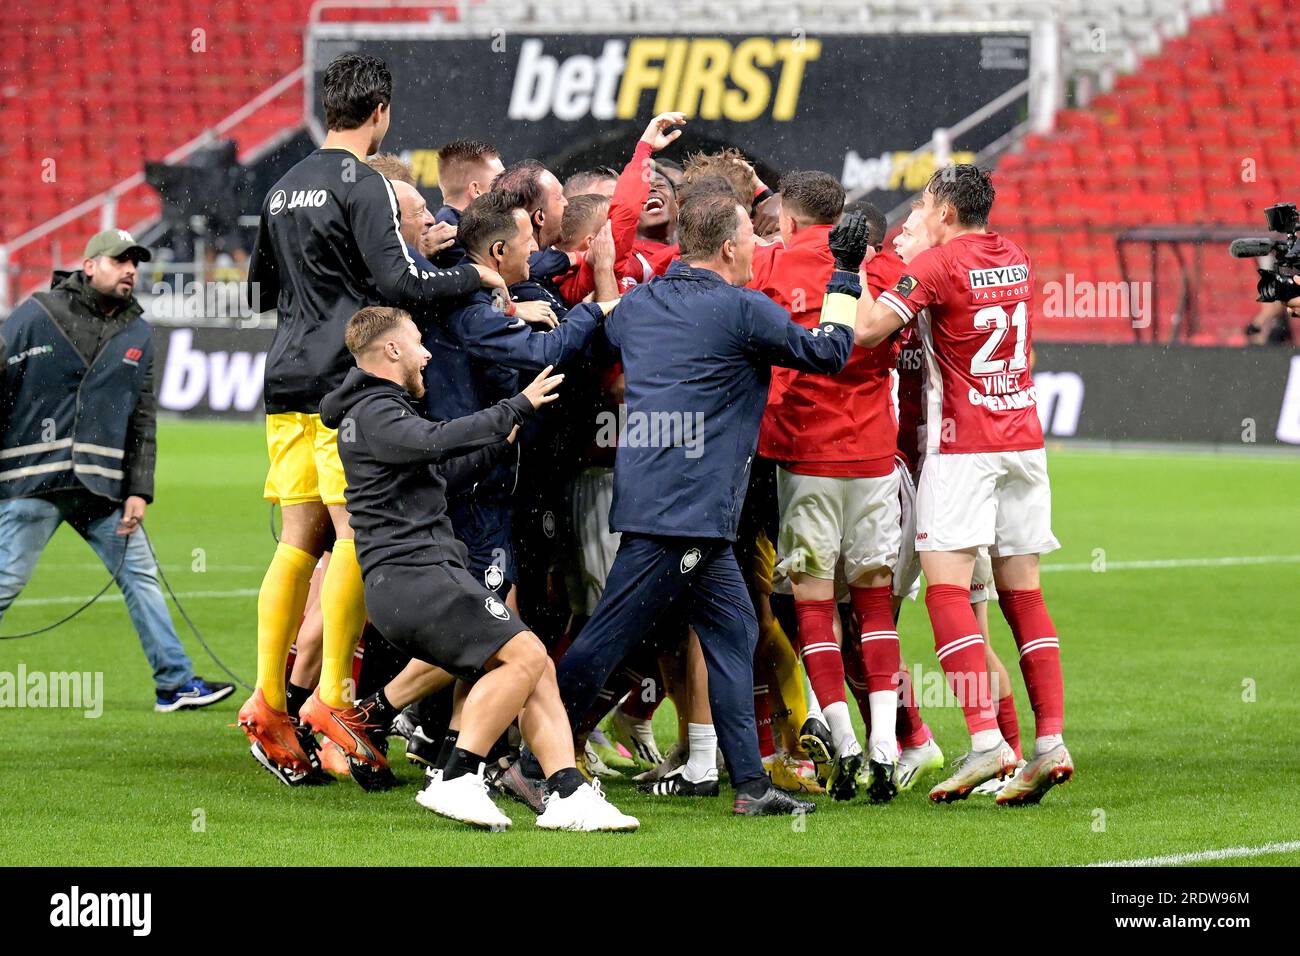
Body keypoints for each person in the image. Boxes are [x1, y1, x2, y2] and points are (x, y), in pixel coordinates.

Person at [552, 193, 872, 816]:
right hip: (686, 512)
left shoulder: (641, 305)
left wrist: (602, 275)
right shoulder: (742, 310)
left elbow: (611, 322)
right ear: (729, 247)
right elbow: (830, 352)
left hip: (664, 502)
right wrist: (845, 274)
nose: (757, 244)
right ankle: (532, 758)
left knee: (733, 630)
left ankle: (750, 787)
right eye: (752, 234)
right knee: (607, 638)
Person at [239, 52, 506, 783]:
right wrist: (472, 275)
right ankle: (331, 701)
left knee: (298, 543)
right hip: (339, 382)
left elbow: (259, 289)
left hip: (282, 378)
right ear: (381, 113)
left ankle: (267, 699)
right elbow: (400, 280)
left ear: (329, 108)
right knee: (356, 531)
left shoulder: (283, 185)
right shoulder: (365, 184)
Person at [320, 305, 638, 832]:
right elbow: (434, 442)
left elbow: (440, 473)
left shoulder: (378, 411)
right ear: (392, 350)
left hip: (415, 577)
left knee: (533, 663)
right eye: (419, 344)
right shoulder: (374, 411)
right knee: (523, 656)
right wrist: (514, 407)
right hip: (416, 576)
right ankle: (457, 776)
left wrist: (497, 442)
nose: (427, 355)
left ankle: (567, 791)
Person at [856, 165, 1072, 805]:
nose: (917, 213)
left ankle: (984, 744)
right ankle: (1049, 743)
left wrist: (853, 273)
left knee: (945, 590)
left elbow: (869, 330)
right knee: (1024, 595)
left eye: (924, 203)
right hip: (1025, 441)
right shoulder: (1016, 256)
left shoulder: (940, 266)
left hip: (963, 445)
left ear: (945, 210)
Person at [0, 230, 232, 712]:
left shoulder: (138, 332)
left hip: (102, 487)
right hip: (34, 479)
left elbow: (142, 418)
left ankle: (174, 682)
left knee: (141, 577)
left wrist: (139, 490)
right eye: (119, 260)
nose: (130, 269)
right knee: (5, 582)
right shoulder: (37, 314)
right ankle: (175, 679)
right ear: (89, 266)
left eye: (135, 262)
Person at [753, 171, 904, 802]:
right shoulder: (884, 270)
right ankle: (886, 747)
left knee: (813, 605)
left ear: (787, 219)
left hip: (804, 454)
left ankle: (840, 740)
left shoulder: (771, 267)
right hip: (873, 455)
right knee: (872, 599)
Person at [430, 139, 504, 267]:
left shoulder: (453, 224)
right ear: (476, 190)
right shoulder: (455, 237)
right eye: (500, 181)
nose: (507, 189)